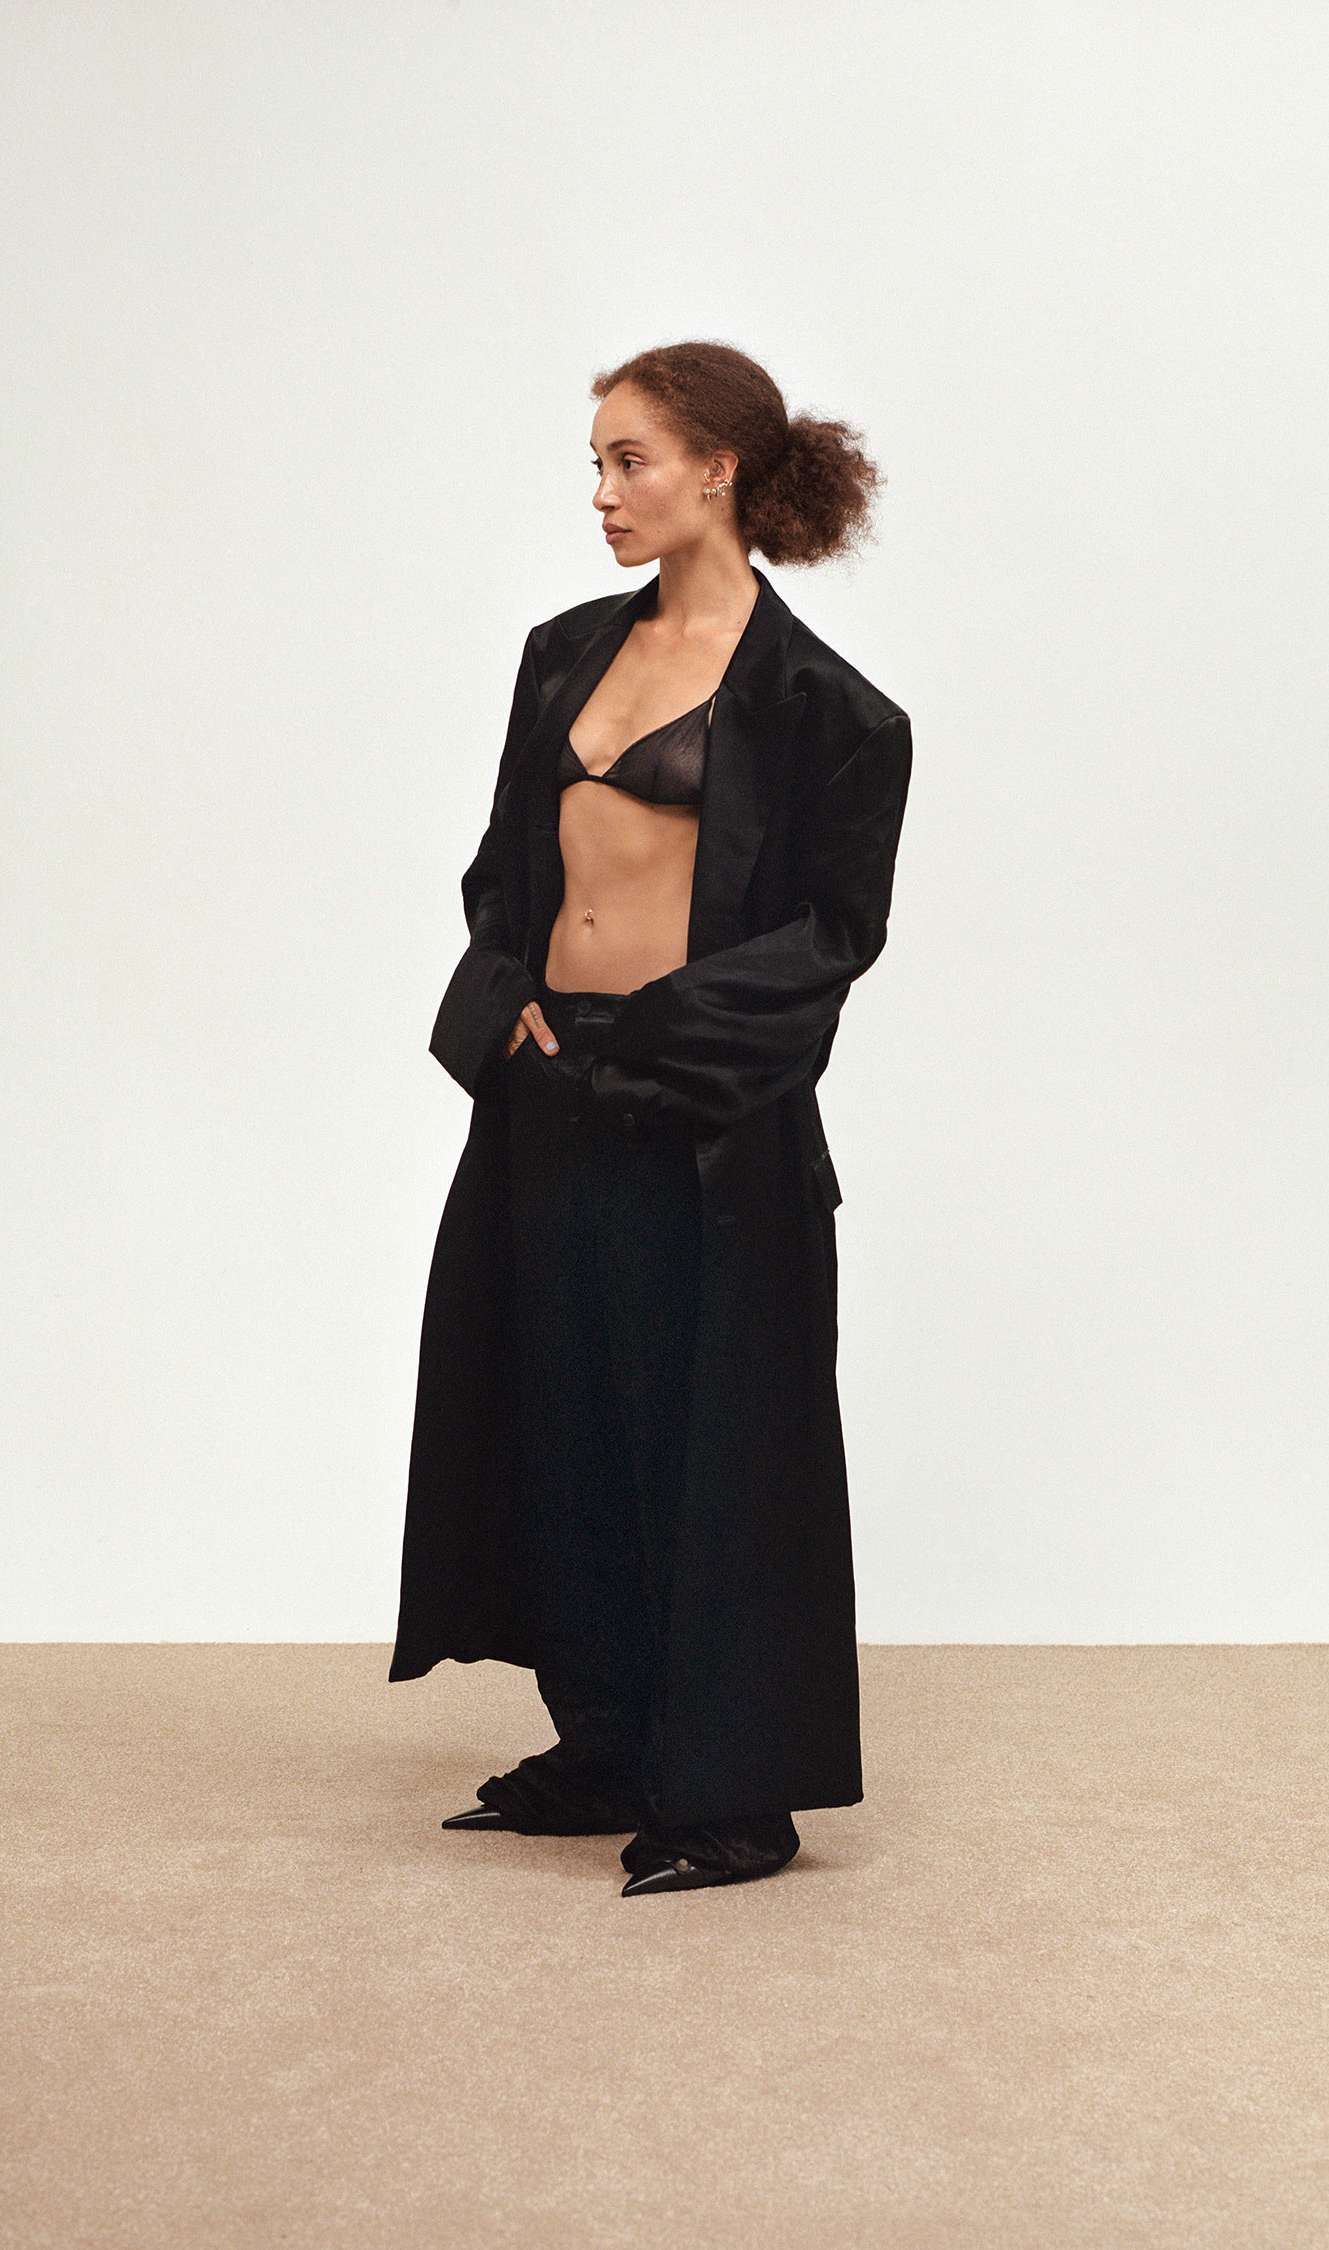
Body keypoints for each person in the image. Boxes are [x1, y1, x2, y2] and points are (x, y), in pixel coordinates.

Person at [389, 339, 913, 1896]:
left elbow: (832, 932)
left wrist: (663, 1044)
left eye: (632, 460)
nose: (604, 492)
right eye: (598, 463)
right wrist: (509, 1004)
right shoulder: (563, 653)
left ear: (719, 471)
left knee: (714, 1441)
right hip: (548, 1088)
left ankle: (736, 1792)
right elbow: (505, 867)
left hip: (702, 1114)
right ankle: (610, 1739)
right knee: (560, 1420)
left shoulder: (832, 710)